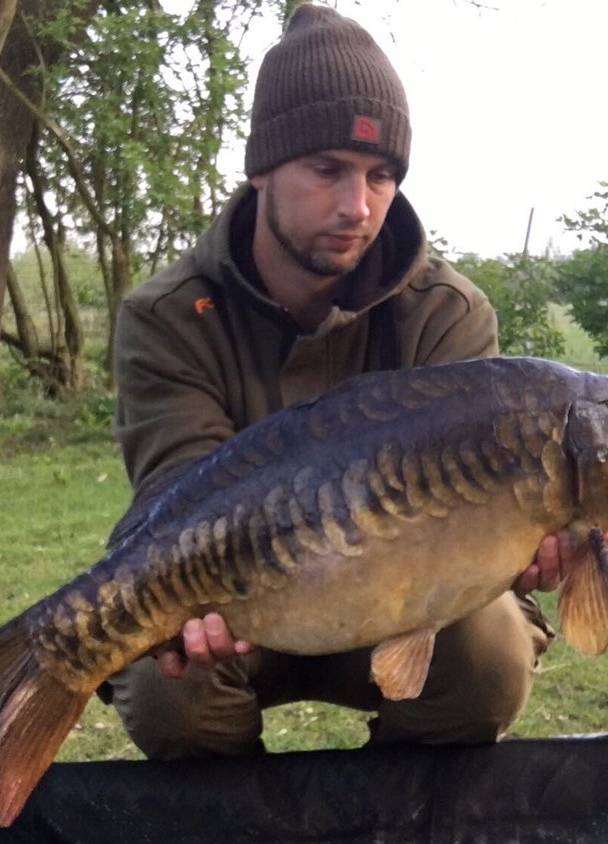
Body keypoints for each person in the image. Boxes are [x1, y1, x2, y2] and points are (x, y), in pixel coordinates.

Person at [104, 2, 571, 760]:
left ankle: (394, 816)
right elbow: (177, 499)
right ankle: (241, 819)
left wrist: (528, 544)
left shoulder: (447, 314)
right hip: (243, 606)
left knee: (491, 654)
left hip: (403, 602)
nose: (357, 207)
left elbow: (481, 519)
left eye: (380, 176)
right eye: (327, 170)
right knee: (168, 685)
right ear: (263, 169)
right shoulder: (168, 315)